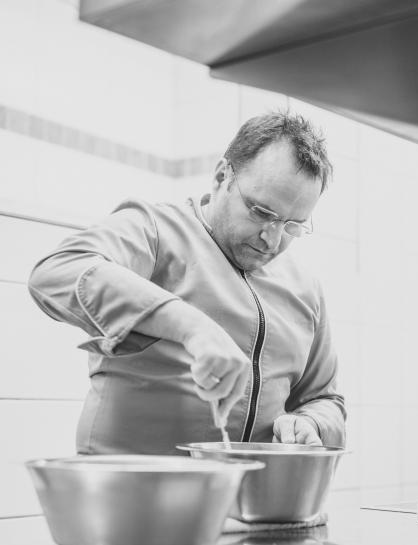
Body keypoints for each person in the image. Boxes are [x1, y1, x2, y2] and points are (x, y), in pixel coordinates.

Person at [28, 111, 346, 454]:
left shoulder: (304, 289)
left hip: (247, 489)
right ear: (222, 176)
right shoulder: (156, 230)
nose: (272, 239)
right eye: (261, 212)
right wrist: (191, 326)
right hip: (129, 483)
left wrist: (310, 423)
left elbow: (324, 400)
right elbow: (58, 271)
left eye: (292, 225)